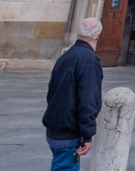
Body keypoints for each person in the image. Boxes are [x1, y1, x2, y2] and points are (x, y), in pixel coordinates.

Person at [43, 18, 104, 170]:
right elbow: (88, 99)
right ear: (97, 36)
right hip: (69, 130)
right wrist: (87, 135)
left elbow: (51, 92)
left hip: (55, 127)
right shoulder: (89, 59)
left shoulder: (66, 56)